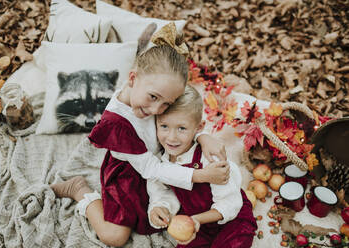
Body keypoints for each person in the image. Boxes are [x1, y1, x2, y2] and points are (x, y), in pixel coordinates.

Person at [50, 24, 230, 247]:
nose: (157, 110)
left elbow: (184, 120)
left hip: (163, 159)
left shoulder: (154, 91)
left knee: (202, 204)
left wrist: (203, 137)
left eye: (167, 103)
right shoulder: (117, 123)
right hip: (131, 174)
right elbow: (150, 169)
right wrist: (201, 176)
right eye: (154, 98)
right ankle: (80, 191)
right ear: (132, 79)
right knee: (115, 237)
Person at [148, 85, 257, 248]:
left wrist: (198, 219)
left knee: (236, 242)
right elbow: (163, 191)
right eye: (164, 126)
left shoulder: (210, 157)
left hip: (230, 219)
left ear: (198, 127)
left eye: (182, 128)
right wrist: (160, 207)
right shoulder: (161, 162)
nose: (171, 137)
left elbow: (229, 204)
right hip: (196, 223)